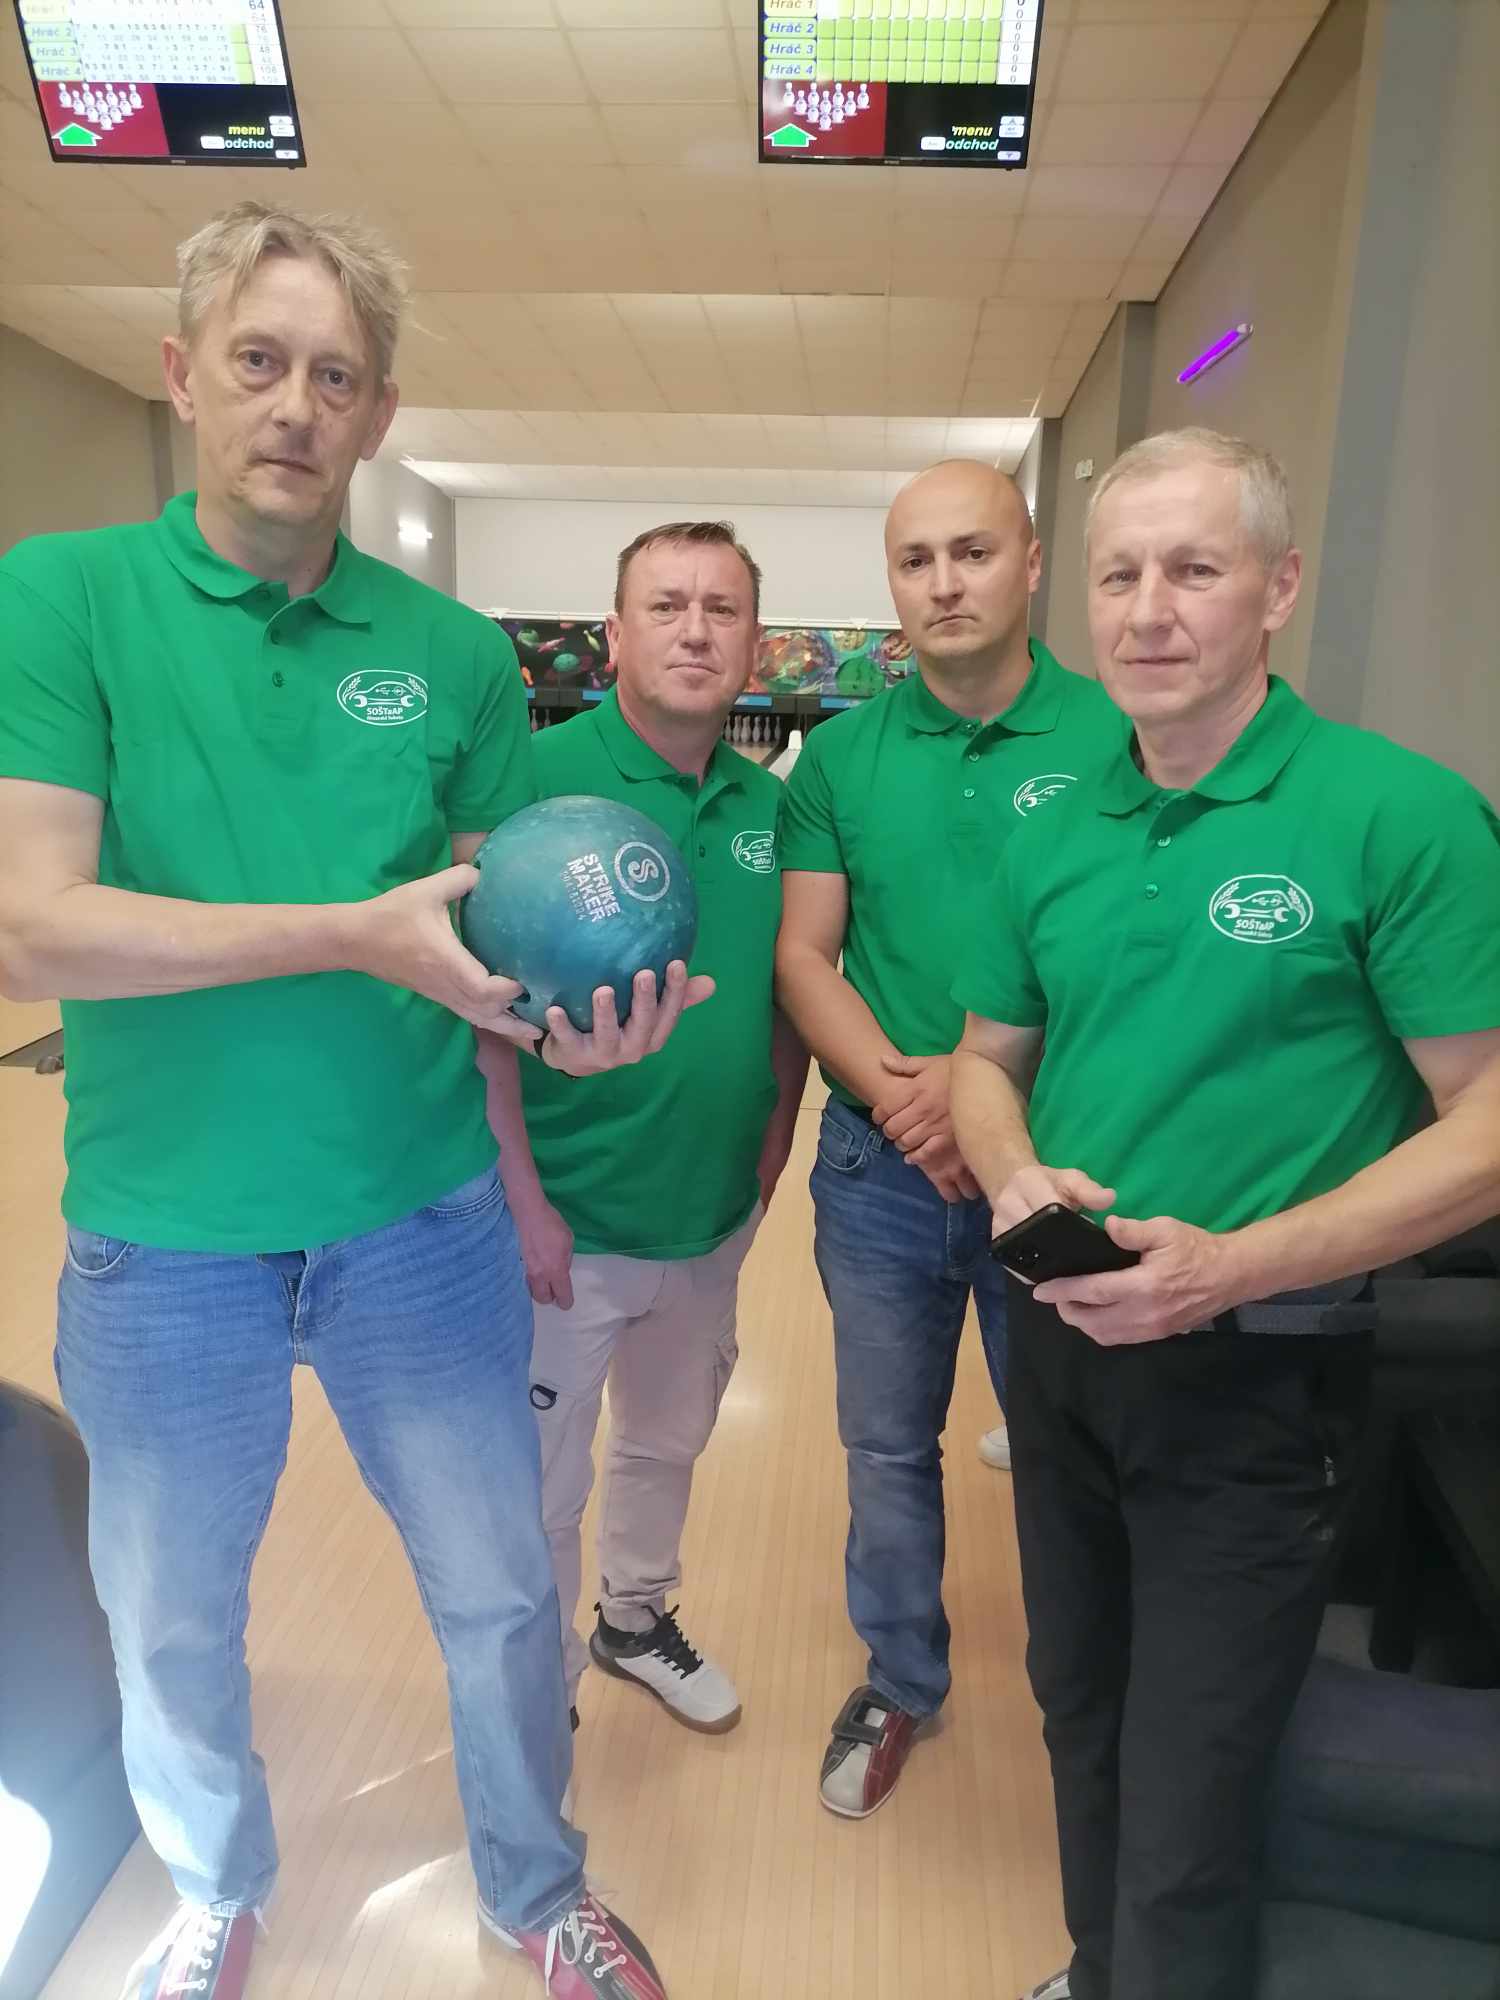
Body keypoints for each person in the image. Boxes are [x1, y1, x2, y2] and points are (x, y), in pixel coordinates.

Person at [0, 202, 703, 2000]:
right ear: (184, 378)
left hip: (420, 1221)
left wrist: (568, 1034)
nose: (295, 406)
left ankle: (537, 1890)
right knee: (170, 1621)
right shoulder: (60, 598)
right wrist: (343, 932)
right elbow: (28, 932)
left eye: (336, 377)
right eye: (259, 361)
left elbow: (488, 955)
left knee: (502, 1593)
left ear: (379, 415)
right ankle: (213, 1891)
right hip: (165, 1240)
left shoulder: (458, 656)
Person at [950, 427, 1500, 2000]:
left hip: (1260, 1373)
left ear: (1279, 587)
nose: (1149, 610)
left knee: (1194, 1773)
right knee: (1079, 1708)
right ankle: (1099, 1972)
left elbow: (1488, 1120)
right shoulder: (1052, 827)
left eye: (1194, 569)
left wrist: (1231, 1268)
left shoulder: (1399, 814)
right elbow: (982, 1064)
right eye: (1120, 573)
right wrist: (1012, 1171)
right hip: (1061, 1348)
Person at [775, 459, 1124, 1818]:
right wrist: (909, 1097)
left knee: (1073, 1444)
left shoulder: (1120, 734)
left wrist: (984, 1106)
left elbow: (1129, 955)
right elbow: (806, 955)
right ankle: (901, 1675)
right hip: (883, 1166)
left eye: (972, 551)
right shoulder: (839, 757)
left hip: (1058, 1163)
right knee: (885, 1447)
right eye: (915, 559)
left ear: (1032, 562)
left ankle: (1093, 1698)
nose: (944, 582)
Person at [481, 520, 806, 1735]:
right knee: (544, 1482)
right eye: (666, 605)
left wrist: (767, 1161)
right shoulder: (530, 781)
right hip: (568, 1220)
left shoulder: (770, 804)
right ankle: (543, 1679)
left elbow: (786, 992)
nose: (695, 630)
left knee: (668, 1441)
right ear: (614, 634)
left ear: (755, 643)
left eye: (722, 609)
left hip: (708, 1213)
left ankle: (633, 1617)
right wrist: (523, 1200)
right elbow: (473, 1014)